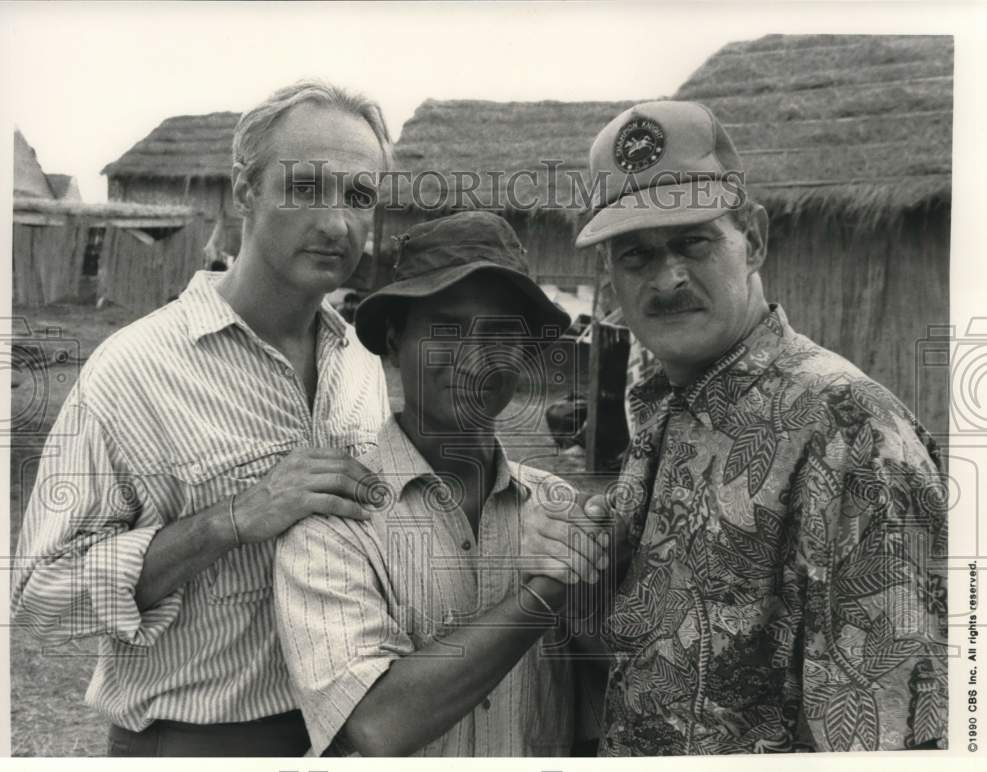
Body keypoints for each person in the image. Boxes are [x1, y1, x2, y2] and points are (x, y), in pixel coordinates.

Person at [11, 79, 393, 756]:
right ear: (243, 190)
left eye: (359, 197)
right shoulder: (132, 373)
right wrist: (230, 522)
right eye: (306, 188)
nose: (337, 223)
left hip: (345, 734)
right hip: (193, 741)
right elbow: (38, 602)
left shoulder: (359, 365)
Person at [573, 101, 948, 754]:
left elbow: (884, 737)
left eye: (694, 241)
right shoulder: (670, 412)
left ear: (755, 238)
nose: (667, 278)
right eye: (636, 256)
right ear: (612, 276)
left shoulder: (852, 432)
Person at [273, 211, 612, 756]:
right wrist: (548, 590)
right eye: (446, 328)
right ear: (393, 338)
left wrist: (599, 579)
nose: (475, 359)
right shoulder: (334, 522)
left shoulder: (560, 509)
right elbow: (378, 724)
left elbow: (604, 705)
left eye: (501, 333)